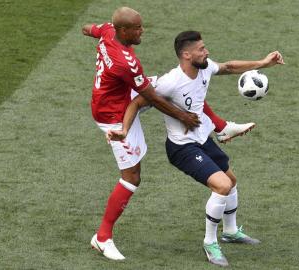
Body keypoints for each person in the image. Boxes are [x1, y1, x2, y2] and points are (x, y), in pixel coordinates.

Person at [82, 7, 256, 261]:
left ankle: (219, 126)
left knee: (181, 84)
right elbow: (150, 98)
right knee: (132, 177)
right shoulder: (126, 62)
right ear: (123, 30)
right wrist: (183, 117)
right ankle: (102, 237)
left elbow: (89, 28)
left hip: (115, 94)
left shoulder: (108, 31)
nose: (143, 31)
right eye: (138, 28)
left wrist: (88, 31)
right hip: (113, 113)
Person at [108, 31, 284, 266]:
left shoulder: (204, 67)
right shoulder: (170, 82)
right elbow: (137, 101)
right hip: (182, 148)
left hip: (202, 139)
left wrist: (263, 62)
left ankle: (230, 231)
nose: (207, 52)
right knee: (221, 185)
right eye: (201, 49)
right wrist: (123, 130)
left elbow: (229, 67)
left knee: (231, 180)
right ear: (186, 54)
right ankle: (210, 243)